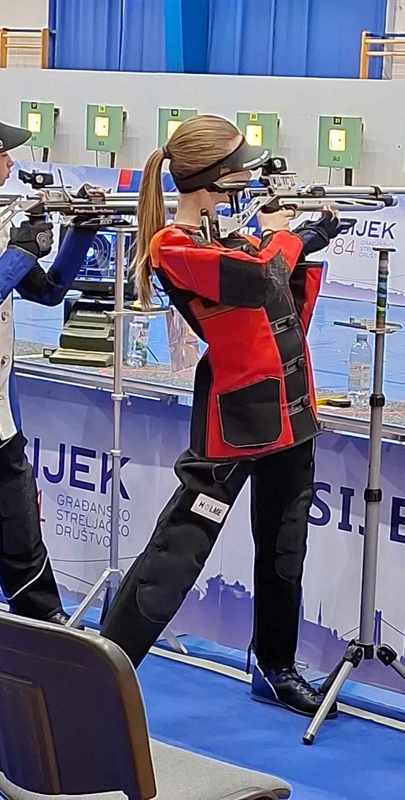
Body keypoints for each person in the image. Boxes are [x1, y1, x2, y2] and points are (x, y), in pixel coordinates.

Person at [102, 114, 346, 717]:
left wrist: (302, 245)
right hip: (234, 426)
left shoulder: (230, 239)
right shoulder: (174, 246)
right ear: (215, 178)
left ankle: (275, 667)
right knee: (177, 553)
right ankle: (102, 670)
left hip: (292, 415)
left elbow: (282, 309)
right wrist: (288, 236)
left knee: (285, 550)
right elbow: (259, 281)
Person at [0, 120, 96, 623]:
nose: (11, 164)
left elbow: (49, 291)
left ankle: (45, 626)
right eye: (3, 156)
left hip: (2, 422)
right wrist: (19, 252)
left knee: (23, 535)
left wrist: (82, 231)